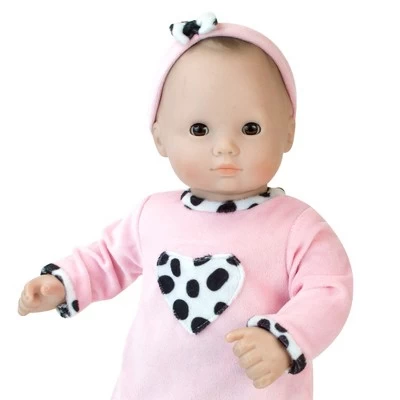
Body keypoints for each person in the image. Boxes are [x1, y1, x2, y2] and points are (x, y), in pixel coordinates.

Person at [17, 12, 353, 400]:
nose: (225, 146)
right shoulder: (153, 215)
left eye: (250, 128)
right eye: (199, 129)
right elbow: (106, 259)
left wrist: (284, 339)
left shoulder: (297, 227)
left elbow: (328, 292)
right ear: (160, 137)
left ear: (289, 131)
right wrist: (62, 282)